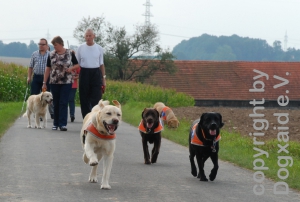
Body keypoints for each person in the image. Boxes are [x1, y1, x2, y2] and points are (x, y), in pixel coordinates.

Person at [42, 36, 80, 131]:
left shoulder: (70, 53)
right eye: (53, 46)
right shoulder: (51, 55)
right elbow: (48, 68)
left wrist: (71, 69)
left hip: (66, 81)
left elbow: (77, 64)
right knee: (56, 102)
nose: (54, 47)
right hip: (54, 81)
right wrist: (44, 82)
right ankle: (56, 123)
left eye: (56, 45)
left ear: (61, 44)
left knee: (63, 102)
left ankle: (63, 124)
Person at [76, 28, 106, 119]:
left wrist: (103, 78)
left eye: (90, 36)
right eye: (87, 36)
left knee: (96, 97)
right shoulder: (81, 48)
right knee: (84, 97)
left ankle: (95, 117)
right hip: (84, 72)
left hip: (96, 73)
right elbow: (77, 63)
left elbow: (101, 64)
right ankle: (86, 118)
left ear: (94, 36)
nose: (88, 37)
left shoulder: (99, 48)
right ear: (84, 37)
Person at [27, 38, 54, 119]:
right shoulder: (34, 54)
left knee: (47, 96)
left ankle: (51, 113)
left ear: (47, 46)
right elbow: (30, 66)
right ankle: (36, 112)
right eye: (39, 44)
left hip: (46, 78)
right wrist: (29, 77)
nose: (41, 46)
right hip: (36, 76)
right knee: (34, 95)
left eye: (43, 44)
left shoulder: (50, 54)